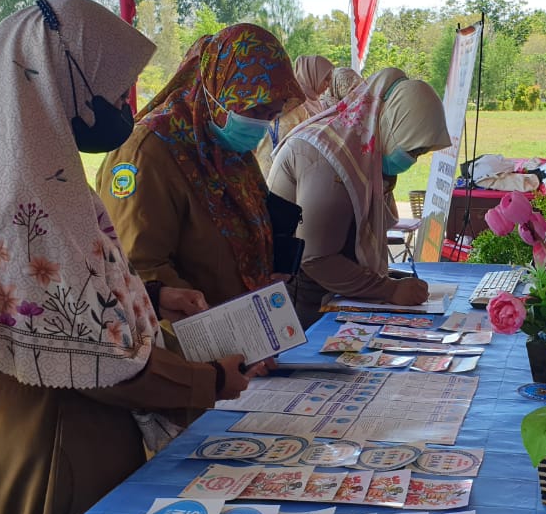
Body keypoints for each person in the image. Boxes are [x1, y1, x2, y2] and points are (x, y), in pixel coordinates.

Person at [0, 0, 250, 514]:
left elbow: (69, 292)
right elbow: (98, 357)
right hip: (60, 449)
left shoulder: (39, 174)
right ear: (55, 76)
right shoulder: (25, 200)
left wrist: (150, 298)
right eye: (112, 87)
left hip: (74, 432)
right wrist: (211, 380)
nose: (123, 104)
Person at [97, 23, 304, 308]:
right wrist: (210, 322)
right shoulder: (147, 153)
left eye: (272, 114)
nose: (260, 124)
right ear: (218, 90)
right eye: (255, 109)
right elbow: (138, 267)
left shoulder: (227, 147)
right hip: (185, 329)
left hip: (244, 322)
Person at [267, 67, 450, 326]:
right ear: (390, 126)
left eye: (419, 153)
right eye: (412, 150)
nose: (412, 160)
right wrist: (389, 289)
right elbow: (316, 258)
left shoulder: (363, 153)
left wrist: (386, 280)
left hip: (335, 294)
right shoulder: (328, 156)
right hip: (304, 303)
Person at [255, 53, 334, 174]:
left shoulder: (314, 103)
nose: (328, 84)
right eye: (326, 79)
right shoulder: (298, 104)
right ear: (312, 76)